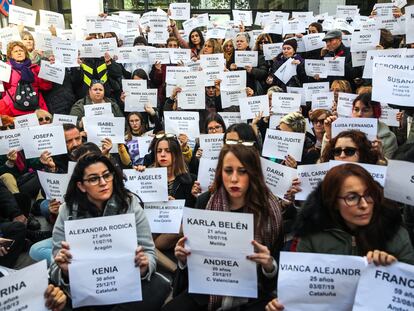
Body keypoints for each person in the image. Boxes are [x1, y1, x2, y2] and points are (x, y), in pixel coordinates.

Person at [266, 163, 414, 311]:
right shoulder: (311, 236)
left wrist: (394, 270)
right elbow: (298, 292)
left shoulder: (396, 235)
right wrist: (283, 305)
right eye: (352, 197)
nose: (364, 204)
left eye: (369, 194)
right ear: (334, 202)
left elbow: (407, 299)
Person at [164, 144, 283, 311]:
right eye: (228, 171)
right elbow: (194, 270)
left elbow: (275, 278)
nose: (234, 179)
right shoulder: (205, 201)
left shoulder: (269, 211)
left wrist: (268, 265)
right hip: (207, 290)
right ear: (220, 172)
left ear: (253, 174)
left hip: (252, 294)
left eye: (242, 171)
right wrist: (184, 260)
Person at [49, 154, 170, 310]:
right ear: (81, 185)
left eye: (107, 175)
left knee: (159, 286)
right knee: (51, 296)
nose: (103, 182)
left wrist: (144, 266)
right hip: (87, 285)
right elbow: (54, 265)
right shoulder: (67, 211)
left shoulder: (130, 203)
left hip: (125, 280)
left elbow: (149, 251)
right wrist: (65, 272)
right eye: (93, 179)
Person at [1, 41, 52, 116]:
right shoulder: (5, 68)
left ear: (25, 53)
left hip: (35, 109)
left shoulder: (35, 68)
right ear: (11, 55)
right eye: (16, 51)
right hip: (13, 108)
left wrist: (47, 79)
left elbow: (46, 87)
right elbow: (2, 89)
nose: (19, 53)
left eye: (21, 50)